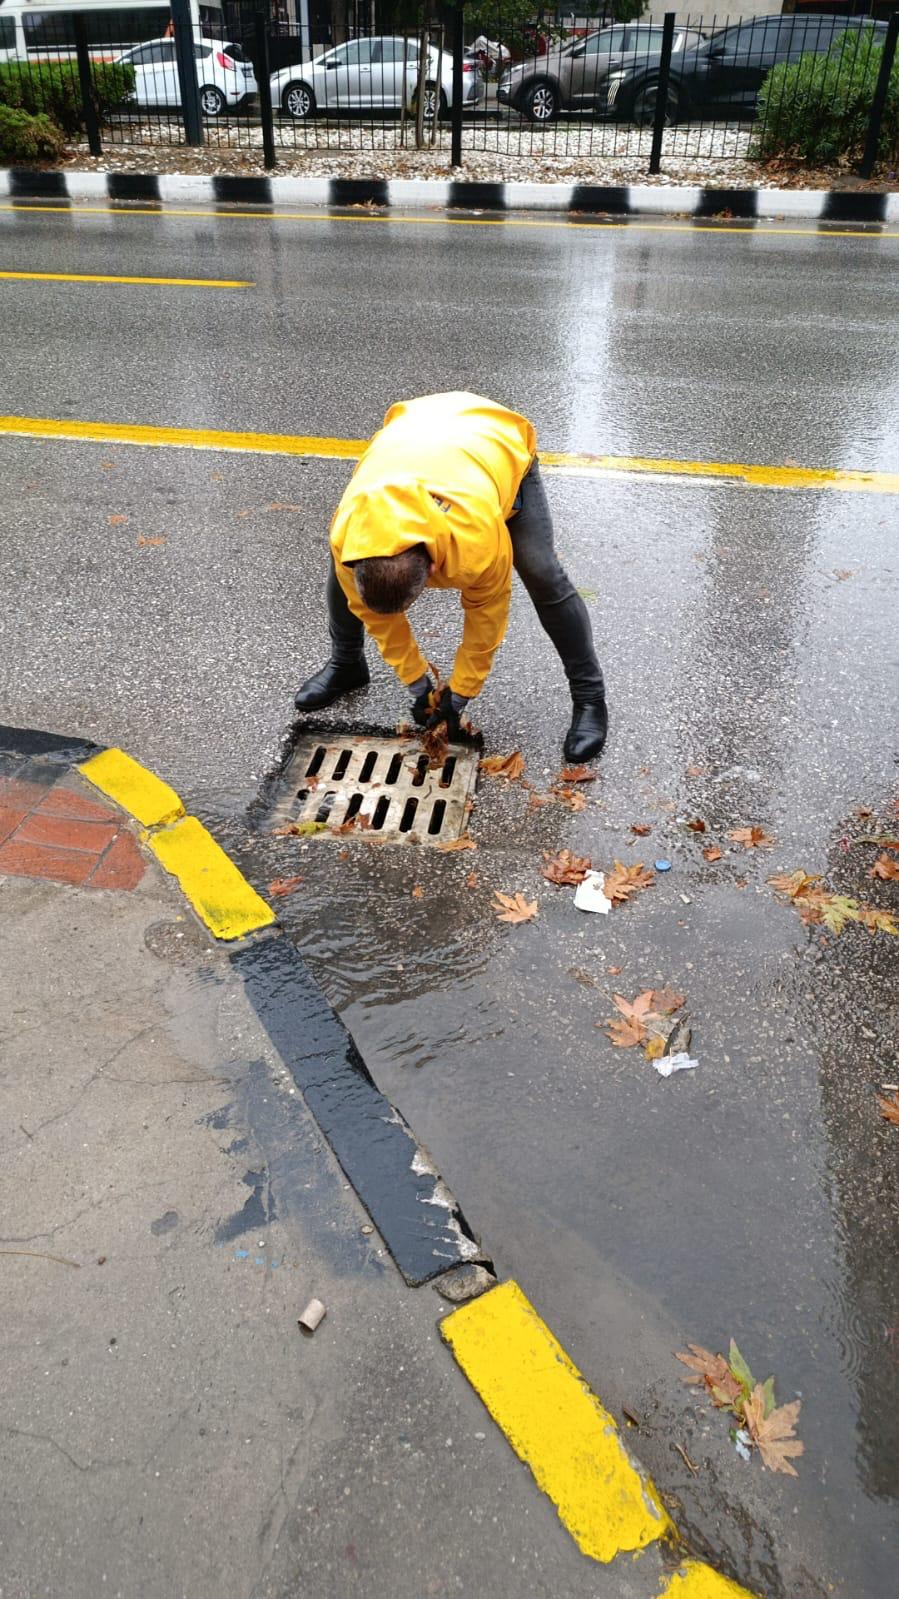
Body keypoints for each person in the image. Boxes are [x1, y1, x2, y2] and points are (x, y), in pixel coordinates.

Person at [294, 392, 608, 763]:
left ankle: (590, 697)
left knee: (542, 572)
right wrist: (418, 684)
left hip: (494, 439)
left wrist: (459, 693)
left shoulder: (475, 543)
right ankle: (347, 664)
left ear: (431, 569)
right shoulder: (350, 536)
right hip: (415, 428)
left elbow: (486, 620)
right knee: (338, 569)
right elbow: (375, 615)